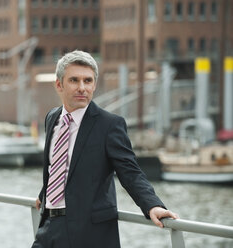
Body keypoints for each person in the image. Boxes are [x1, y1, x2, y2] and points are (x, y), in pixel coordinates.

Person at [31, 50, 178, 248]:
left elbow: (130, 172)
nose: (82, 88)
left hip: (88, 234)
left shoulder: (110, 125)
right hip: (48, 228)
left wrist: (153, 205)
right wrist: (45, 193)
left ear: (94, 85)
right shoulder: (52, 118)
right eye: (74, 80)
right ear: (59, 84)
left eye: (88, 81)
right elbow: (58, 165)